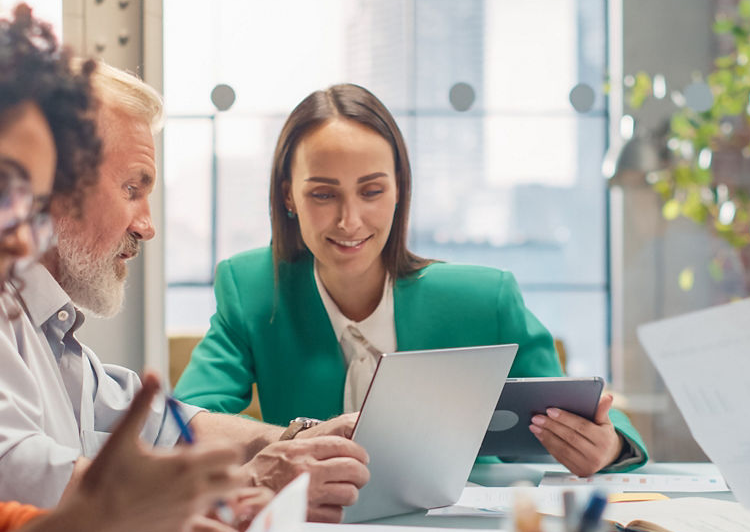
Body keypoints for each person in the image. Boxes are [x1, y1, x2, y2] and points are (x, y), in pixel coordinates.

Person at [175, 83, 647, 477]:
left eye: (372, 191)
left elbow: (593, 412)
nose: (350, 220)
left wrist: (607, 448)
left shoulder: (483, 299)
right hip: (318, 526)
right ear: (289, 197)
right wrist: (290, 444)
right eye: (323, 194)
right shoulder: (252, 288)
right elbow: (186, 420)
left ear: (399, 189)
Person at [0, 58, 369, 522]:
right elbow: (20, 473)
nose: (147, 226)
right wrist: (251, 483)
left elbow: (163, 427)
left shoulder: (47, 327)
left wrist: (293, 444)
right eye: (132, 188)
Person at [0, 4, 246, 532]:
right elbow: (16, 464)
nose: (27, 228)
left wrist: (284, 446)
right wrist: (112, 513)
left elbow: (10, 518)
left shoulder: (41, 317)